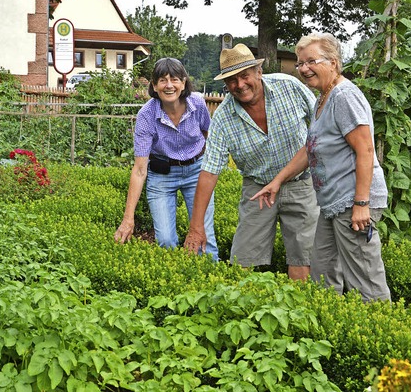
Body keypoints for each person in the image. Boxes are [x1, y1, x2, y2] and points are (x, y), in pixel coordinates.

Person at [251, 32, 391, 302]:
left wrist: (361, 203)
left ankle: (380, 332)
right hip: (332, 204)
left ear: (334, 63)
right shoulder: (322, 99)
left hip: (352, 202)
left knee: (365, 280)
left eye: (311, 61)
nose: (304, 69)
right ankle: (328, 331)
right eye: (301, 63)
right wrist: (277, 181)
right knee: (322, 274)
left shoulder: (344, 96)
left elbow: (365, 150)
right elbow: (310, 148)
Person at [184, 44, 318, 279]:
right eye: (231, 81)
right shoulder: (224, 117)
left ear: (258, 71)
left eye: (244, 76)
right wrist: (196, 227)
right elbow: (209, 171)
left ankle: (299, 311)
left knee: (303, 256)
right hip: (258, 189)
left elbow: (321, 124)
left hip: (300, 183)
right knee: (242, 261)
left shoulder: (290, 87)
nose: (239, 85)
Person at [114, 57, 218, 261]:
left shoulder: (197, 103)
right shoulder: (146, 115)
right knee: (166, 241)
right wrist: (128, 218)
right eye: (162, 80)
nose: (169, 85)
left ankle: (209, 283)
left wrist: (205, 165)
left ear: (184, 83)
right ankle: (178, 285)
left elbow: (209, 135)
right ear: (154, 86)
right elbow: (139, 169)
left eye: (175, 80)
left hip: (196, 171)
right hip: (162, 175)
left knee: (205, 236)